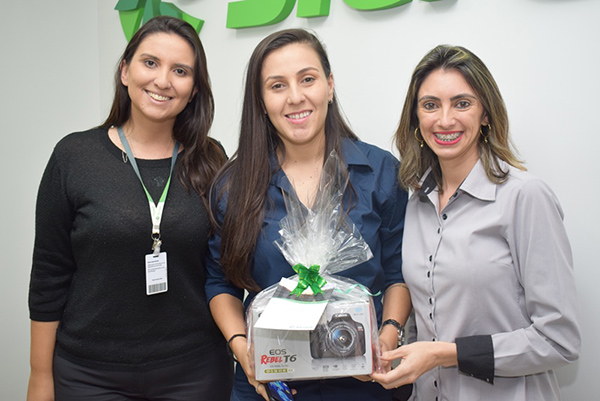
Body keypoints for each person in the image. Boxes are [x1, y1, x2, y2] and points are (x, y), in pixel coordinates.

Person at [27, 16, 232, 401]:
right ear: (125, 71)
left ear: (193, 90)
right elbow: (49, 272)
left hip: (195, 370)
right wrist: (40, 375)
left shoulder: (211, 158)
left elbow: (222, 267)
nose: (162, 80)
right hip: (90, 375)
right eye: (150, 63)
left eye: (180, 71)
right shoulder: (74, 156)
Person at [205, 29, 412, 401]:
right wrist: (242, 349)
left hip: (363, 382)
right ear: (261, 100)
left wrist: (387, 335)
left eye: (307, 79)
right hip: (270, 384)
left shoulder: (381, 172)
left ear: (329, 86)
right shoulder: (233, 185)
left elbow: (399, 274)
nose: (295, 97)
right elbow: (220, 282)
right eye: (277, 85)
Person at [371, 44, 581, 400]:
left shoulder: (525, 197)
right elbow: (425, 314)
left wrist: (446, 354)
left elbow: (559, 339)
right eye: (430, 105)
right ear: (416, 118)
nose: (445, 120)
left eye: (462, 103)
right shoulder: (417, 202)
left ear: (485, 113)